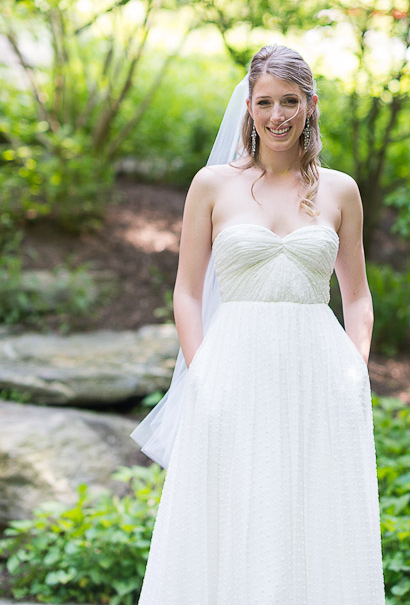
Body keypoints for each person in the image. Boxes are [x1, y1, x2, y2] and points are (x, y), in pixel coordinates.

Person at [131, 44, 384, 603]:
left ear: (310, 105)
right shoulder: (212, 185)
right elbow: (187, 292)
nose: (277, 116)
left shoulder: (340, 190)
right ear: (248, 107)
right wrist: (201, 375)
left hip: (318, 373)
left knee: (309, 513)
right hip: (231, 371)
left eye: (290, 101)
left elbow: (358, 296)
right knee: (230, 514)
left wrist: (354, 369)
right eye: (265, 102)